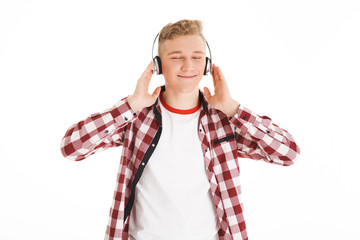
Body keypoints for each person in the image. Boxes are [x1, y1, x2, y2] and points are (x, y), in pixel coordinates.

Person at [60, 19, 300, 240]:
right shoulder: (135, 116)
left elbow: (288, 153)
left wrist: (233, 108)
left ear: (207, 64)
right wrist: (131, 104)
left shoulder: (225, 121)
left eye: (197, 57)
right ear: (157, 65)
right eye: (176, 57)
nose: (188, 65)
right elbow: (72, 148)